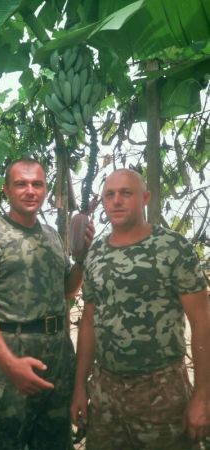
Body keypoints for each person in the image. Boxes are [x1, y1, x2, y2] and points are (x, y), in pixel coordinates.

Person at [0, 157, 93, 450]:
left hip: (57, 359)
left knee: (55, 442)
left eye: (37, 184)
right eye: (21, 184)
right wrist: (9, 364)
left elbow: (67, 290)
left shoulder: (51, 235)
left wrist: (82, 257)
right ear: (6, 189)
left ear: (45, 189)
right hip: (10, 358)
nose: (30, 191)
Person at [71, 168, 210, 450]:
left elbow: (202, 323)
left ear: (145, 198)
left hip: (161, 391)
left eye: (126, 193)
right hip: (106, 391)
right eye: (110, 195)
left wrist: (203, 395)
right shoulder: (96, 253)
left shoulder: (173, 248)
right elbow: (88, 321)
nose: (117, 201)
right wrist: (79, 386)